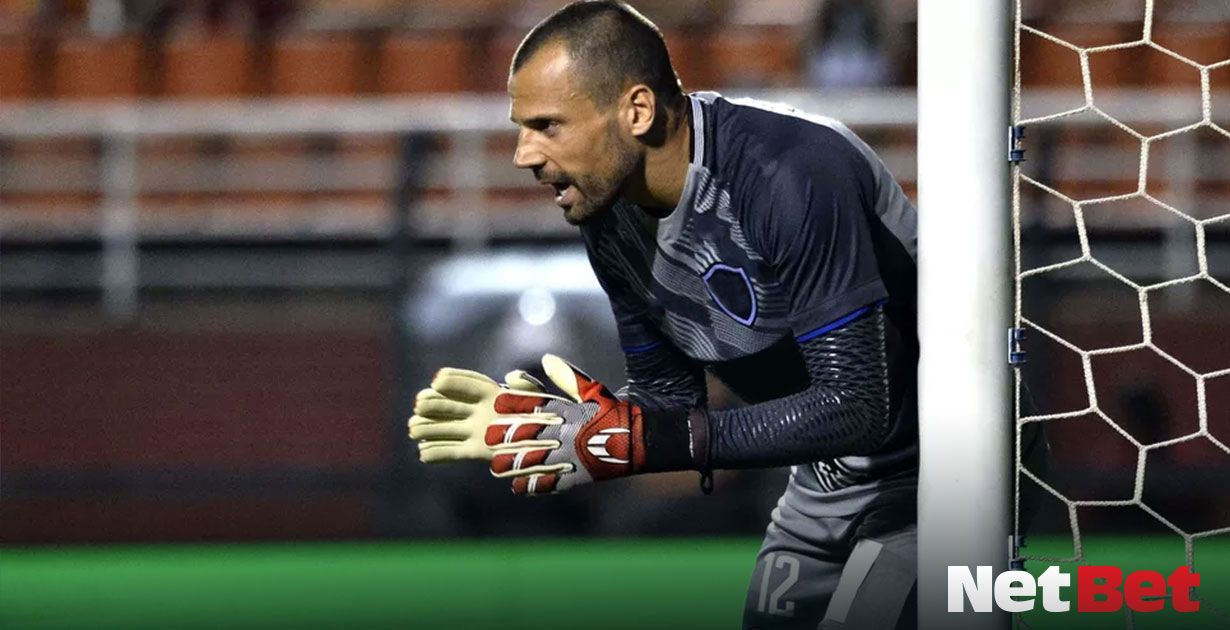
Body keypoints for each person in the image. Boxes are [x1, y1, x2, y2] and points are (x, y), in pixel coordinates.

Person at [408, 2, 918, 628]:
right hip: (829, 479)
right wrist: (560, 431)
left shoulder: (789, 172)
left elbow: (858, 406)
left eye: (547, 125)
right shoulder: (608, 217)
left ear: (638, 112)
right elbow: (671, 407)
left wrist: (637, 439)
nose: (523, 154)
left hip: (948, 462)